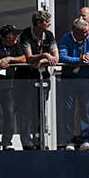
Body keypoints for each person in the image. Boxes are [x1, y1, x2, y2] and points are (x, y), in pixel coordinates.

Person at [57, 16, 89, 150]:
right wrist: (78, 60)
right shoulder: (66, 38)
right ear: (75, 31)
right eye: (83, 32)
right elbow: (62, 56)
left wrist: (87, 59)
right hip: (69, 79)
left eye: (87, 31)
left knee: (85, 110)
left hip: (85, 79)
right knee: (68, 110)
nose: (86, 34)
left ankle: (85, 140)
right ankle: (69, 140)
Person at [18, 10, 58, 150]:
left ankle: (40, 139)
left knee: (40, 110)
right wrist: (45, 55)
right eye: (47, 22)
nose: (49, 24)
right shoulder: (25, 35)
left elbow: (56, 58)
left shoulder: (49, 35)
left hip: (43, 78)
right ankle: (27, 142)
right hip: (26, 79)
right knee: (27, 111)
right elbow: (28, 58)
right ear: (39, 23)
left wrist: (41, 60)